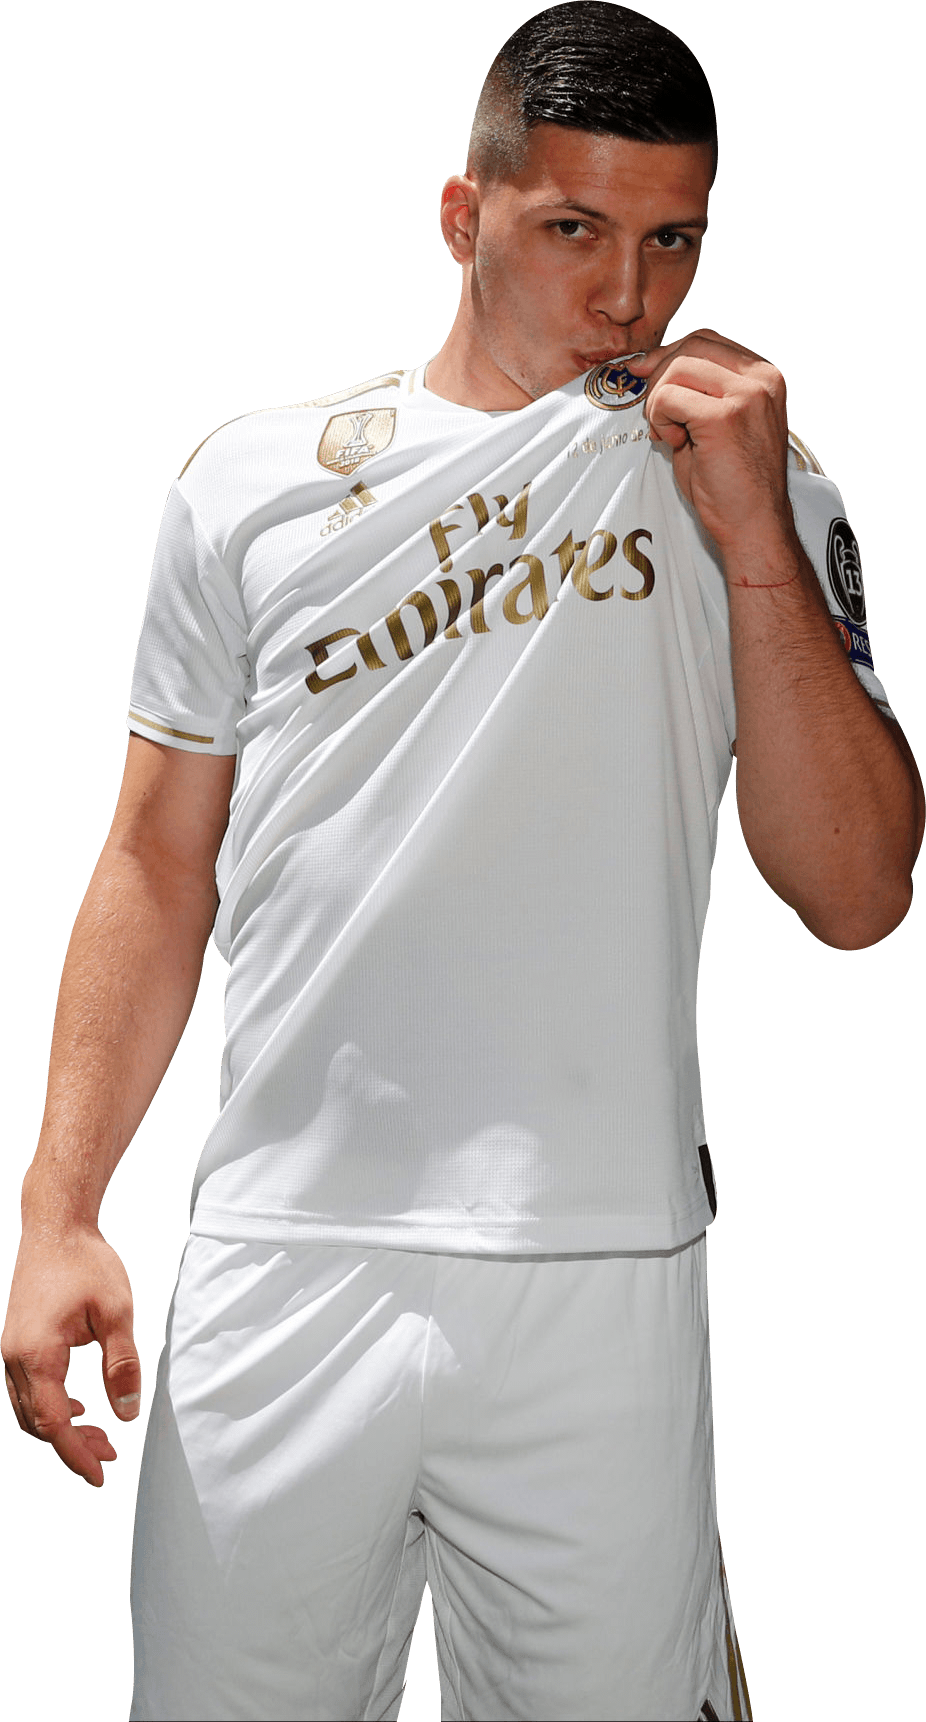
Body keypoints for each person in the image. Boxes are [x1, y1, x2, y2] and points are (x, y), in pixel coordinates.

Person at [4, 4, 923, 1718]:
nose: (626, 295)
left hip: (601, 1266)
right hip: (285, 1259)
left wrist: (749, 538)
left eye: (671, 240)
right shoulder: (248, 481)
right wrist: (59, 1211)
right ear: (462, 214)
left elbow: (857, 892)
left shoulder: (752, 470)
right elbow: (152, 863)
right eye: (573, 228)